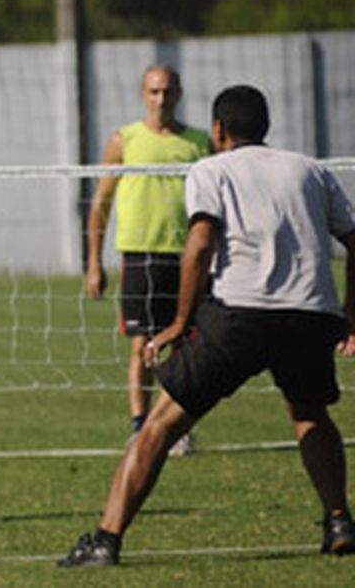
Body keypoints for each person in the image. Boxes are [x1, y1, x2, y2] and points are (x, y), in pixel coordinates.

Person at [59, 85, 355, 567]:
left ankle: (105, 540)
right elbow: (353, 238)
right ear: (266, 128)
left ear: (218, 130)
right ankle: (339, 520)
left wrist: (179, 321)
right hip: (308, 314)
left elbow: (199, 243)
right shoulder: (310, 169)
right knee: (310, 414)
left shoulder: (210, 169)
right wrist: (349, 312)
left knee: (159, 425)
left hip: (239, 314)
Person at [85, 65, 211, 454]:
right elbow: (101, 203)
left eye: (168, 92)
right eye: (154, 92)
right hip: (139, 255)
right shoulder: (125, 140)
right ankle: (141, 426)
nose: (161, 100)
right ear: (143, 94)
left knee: (185, 345)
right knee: (141, 344)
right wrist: (94, 262)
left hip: (187, 256)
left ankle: (174, 426)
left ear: (179, 94)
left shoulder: (198, 143)